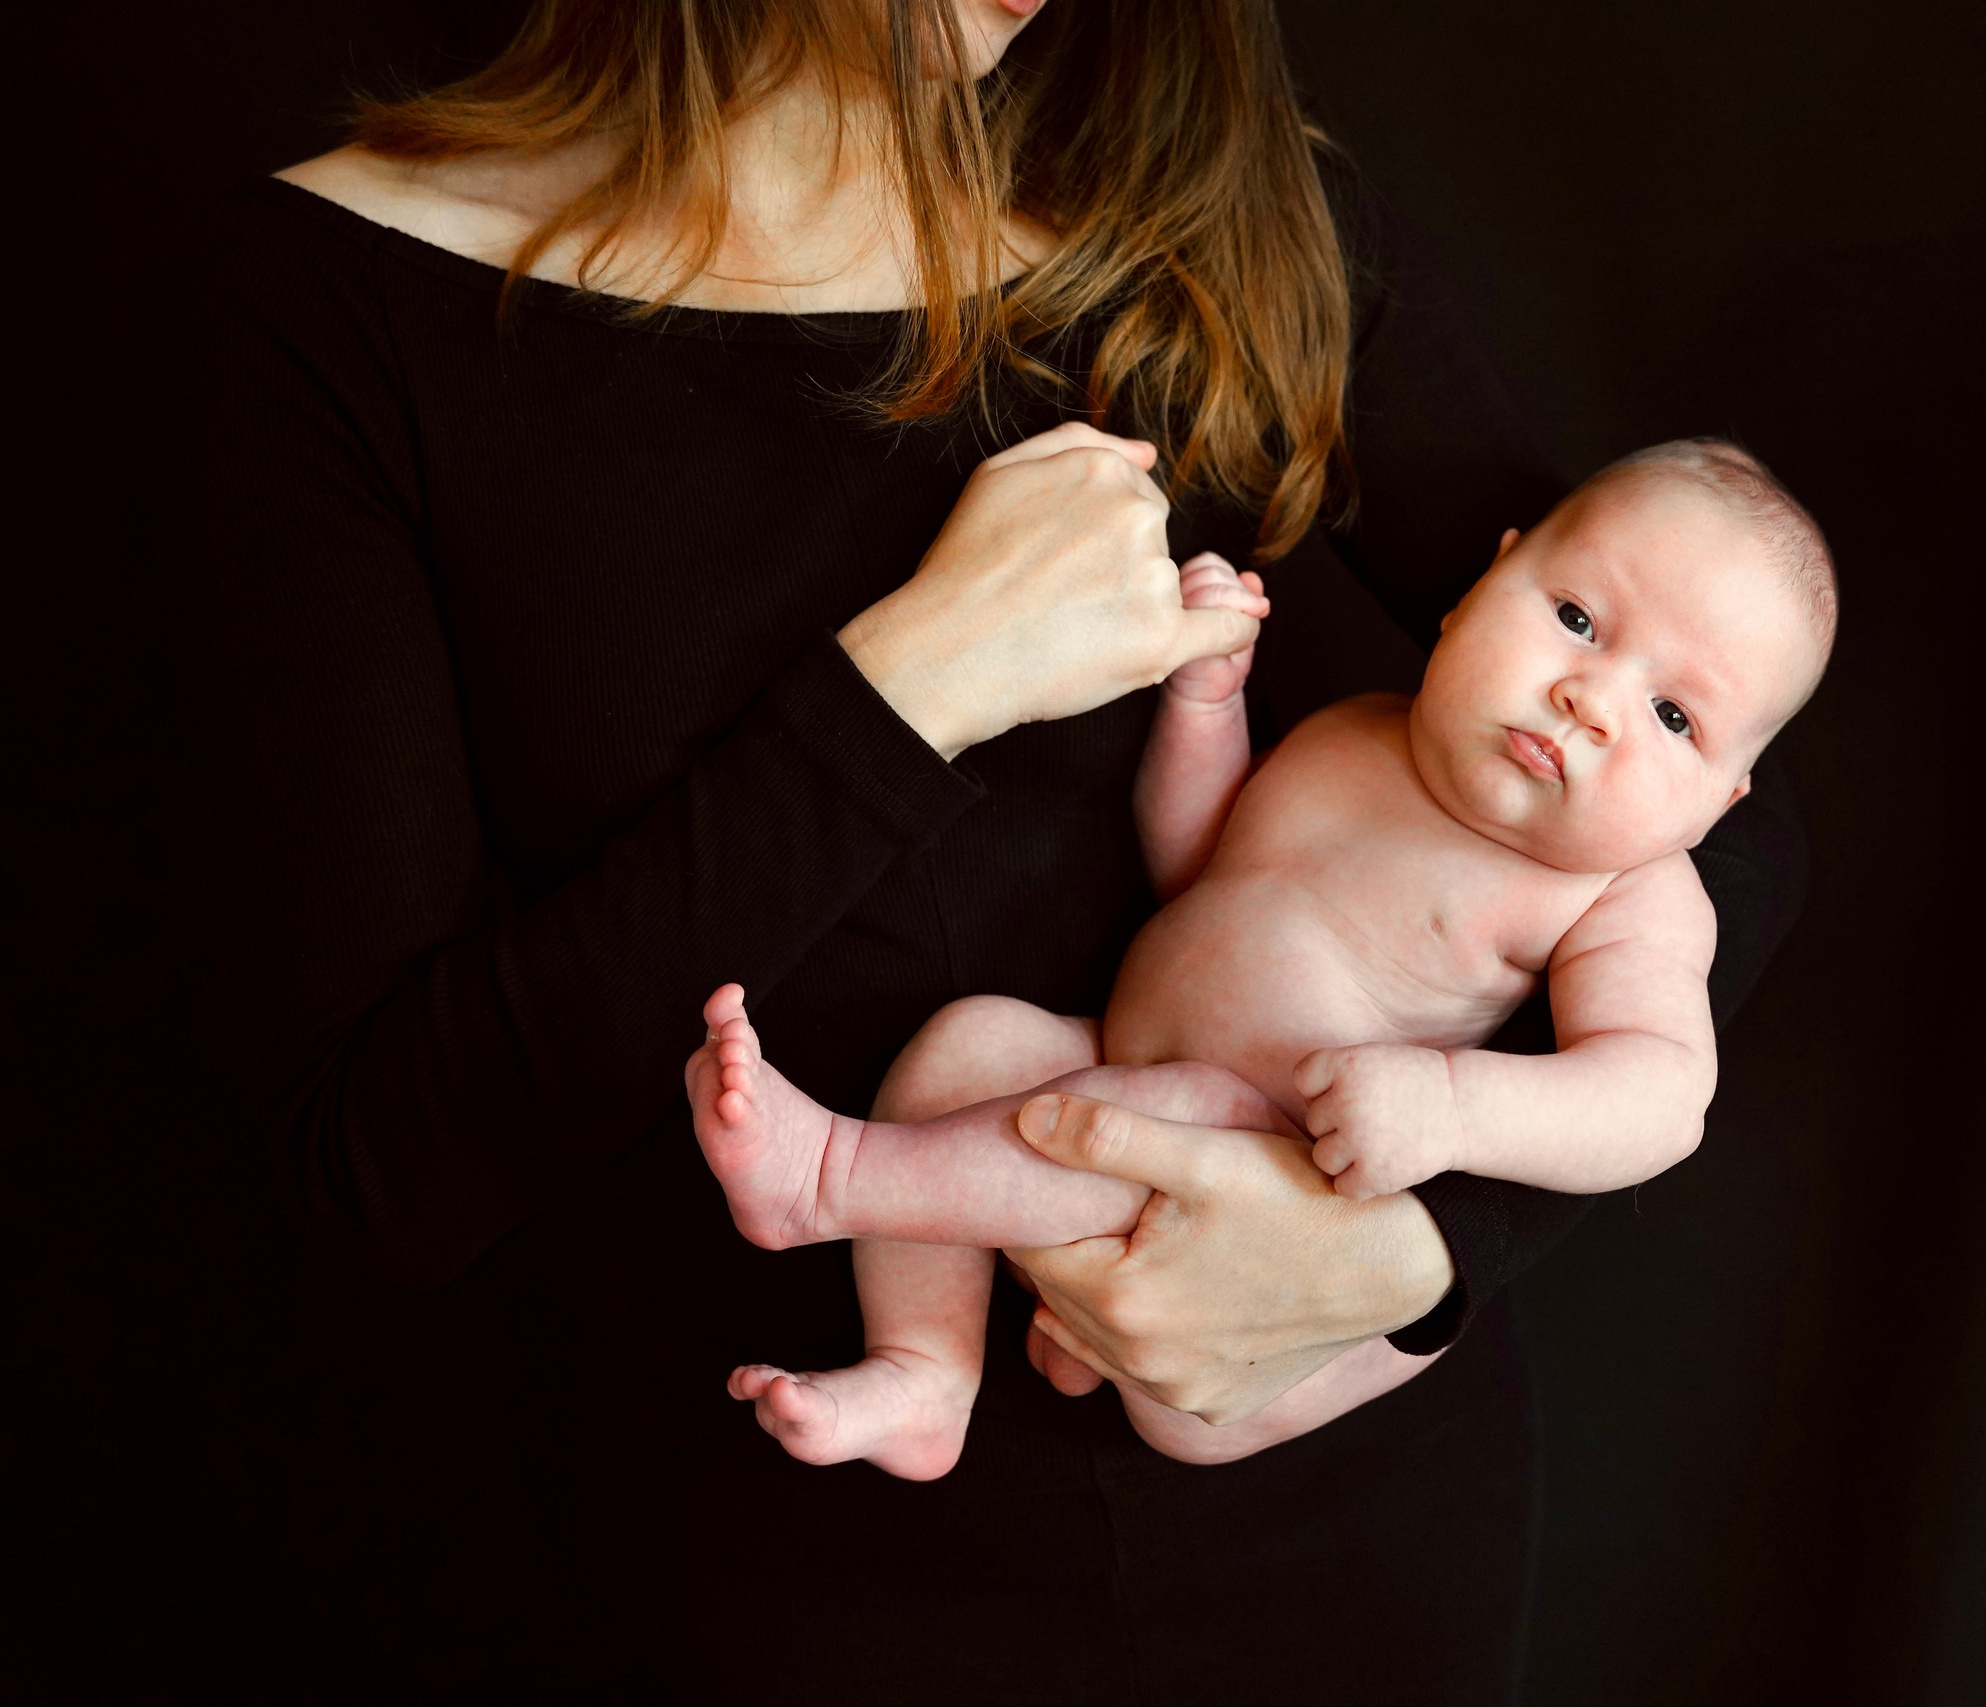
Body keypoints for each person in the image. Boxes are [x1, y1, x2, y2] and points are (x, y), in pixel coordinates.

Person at [190, 0, 1809, 1692]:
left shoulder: (1208, 202)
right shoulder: (331, 307)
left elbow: (1714, 797)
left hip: (1346, 1541)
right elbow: (378, 1164)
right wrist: (911, 688)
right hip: (780, 1560)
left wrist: (1421, 1250)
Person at [687, 442, 1834, 1479]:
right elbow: (1198, 872)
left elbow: (1657, 1099)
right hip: (1110, 1085)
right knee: (971, 1046)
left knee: (1181, 1108)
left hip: (1260, 1220)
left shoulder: (1623, 894)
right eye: (1577, 618)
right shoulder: (1363, 730)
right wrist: (1204, 707)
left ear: (1722, 803)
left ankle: (829, 1179)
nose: (1592, 700)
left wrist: (1453, 1107)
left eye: (1675, 717)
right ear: (1482, 583)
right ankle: (925, 1371)